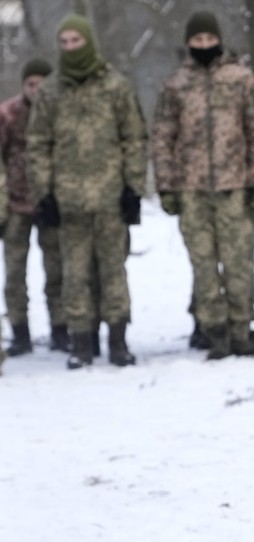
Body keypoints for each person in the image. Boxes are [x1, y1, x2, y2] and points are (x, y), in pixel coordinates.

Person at [27, 14, 147, 369]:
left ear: (88, 42)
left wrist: (133, 187)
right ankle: (81, 342)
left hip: (111, 198)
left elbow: (134, 138)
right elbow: (38, 145)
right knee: (74, 274)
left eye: (75, 41)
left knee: (113, 271)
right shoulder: (50, 91)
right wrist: (44, 194)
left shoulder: (115, 86)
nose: (69, 48)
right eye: (63, 43)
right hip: (68, 202)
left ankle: (118, 341)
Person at [151, 11, 254, 359]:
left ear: (218, 39)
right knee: (203, 264)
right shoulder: (176, 85)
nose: (204, 45)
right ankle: (214, 331)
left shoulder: (241, 79)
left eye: (208, 39)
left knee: (239, 263)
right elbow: (162, 137)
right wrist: (167, 187)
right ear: (189, 43)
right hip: (192, 190)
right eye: (197, 40)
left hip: (235, 187)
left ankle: (241, 329)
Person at [1, 58, 67, 356]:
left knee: (56, 270)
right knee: (15, 273)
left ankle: (60, 329)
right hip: (15, 204)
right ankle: (20, 332)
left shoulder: (61, 111)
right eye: (30, 84)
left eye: (40, 84)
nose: (35, 89)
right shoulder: (8, 114)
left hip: (50, 202)